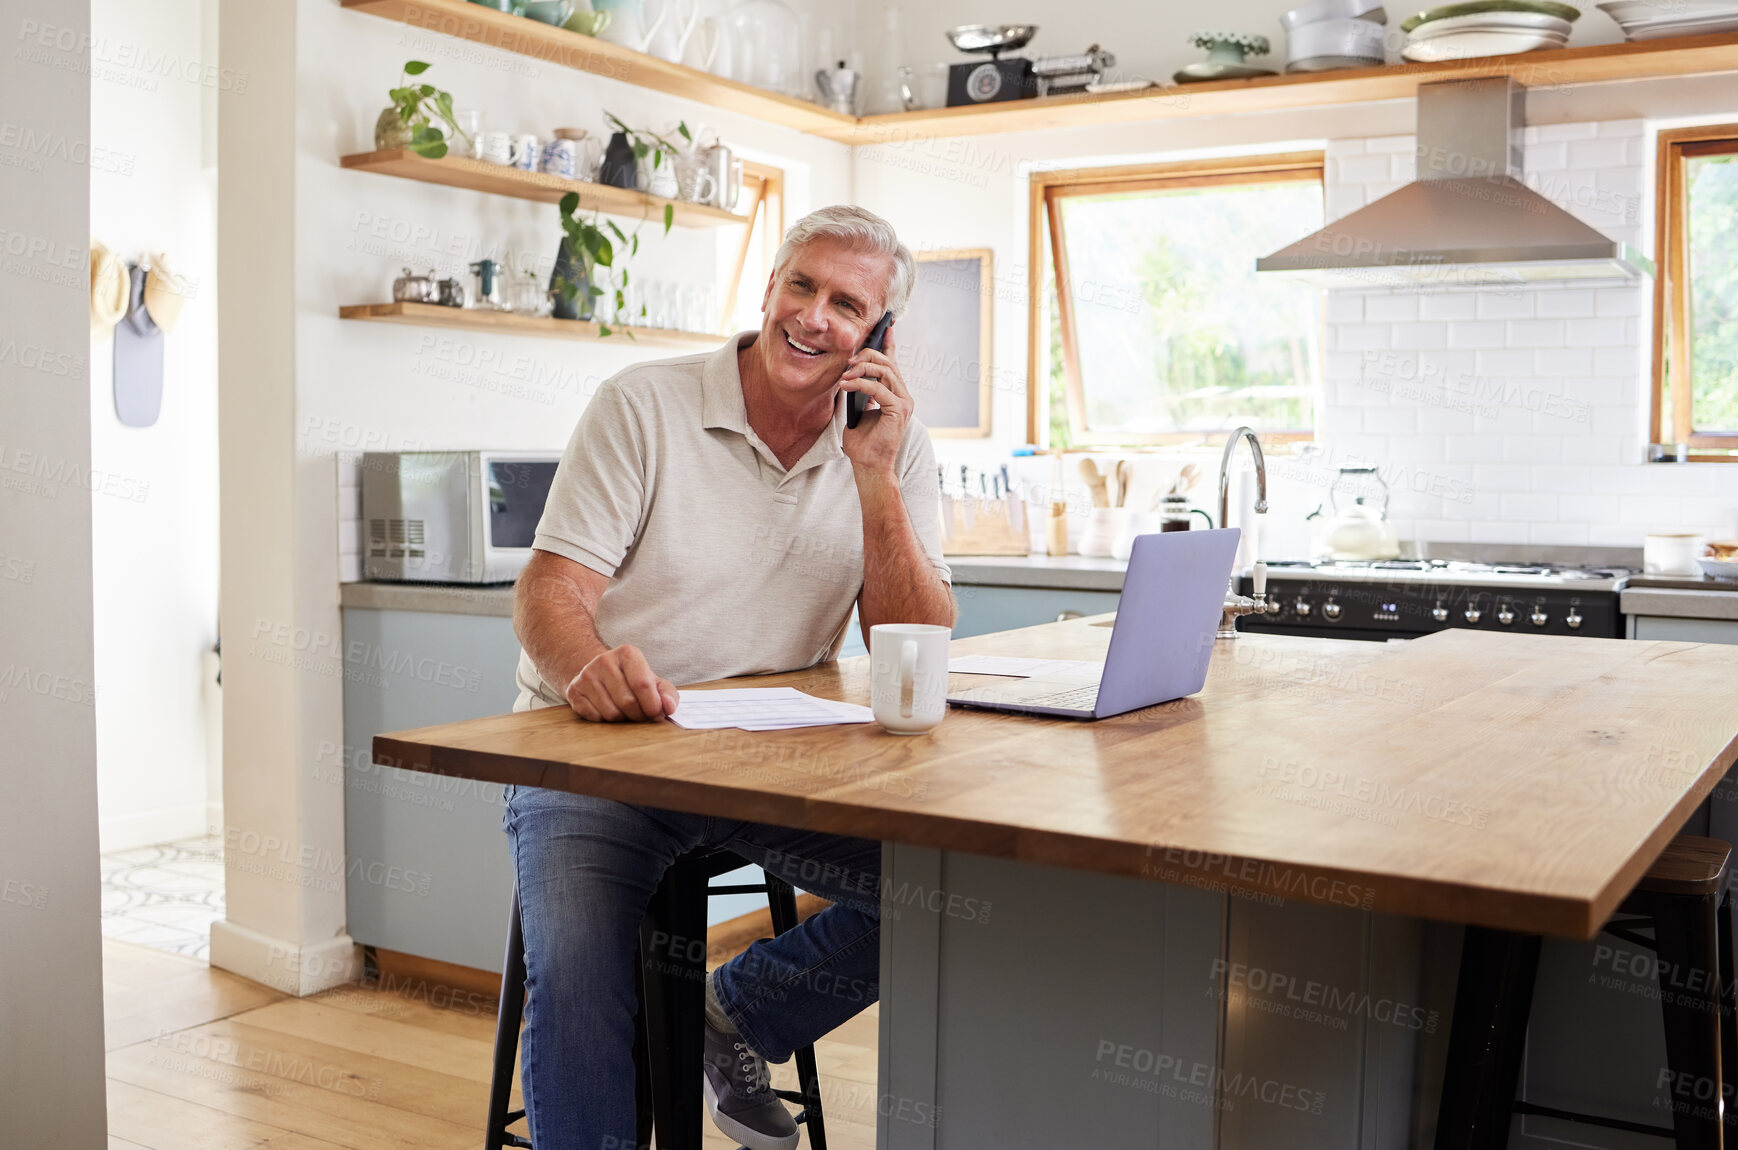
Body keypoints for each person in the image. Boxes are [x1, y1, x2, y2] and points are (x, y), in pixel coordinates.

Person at [505, 204, 956, 1150]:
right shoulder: (644, 404)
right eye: (801, 285)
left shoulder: (896, 444)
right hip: (600, 755)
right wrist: (587, 667)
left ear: (879, 334)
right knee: (584, 970)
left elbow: (913, 643)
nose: (814, 316)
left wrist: (872, 476)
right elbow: (550, 587)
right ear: (769, 290)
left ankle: (737, 1012)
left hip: (772, 758)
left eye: (846, 303)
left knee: (949, 893)